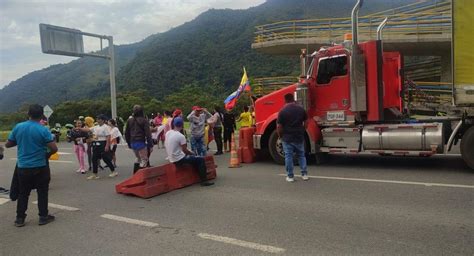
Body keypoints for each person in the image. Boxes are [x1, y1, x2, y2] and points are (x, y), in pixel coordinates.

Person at [5, 104, 58, 227]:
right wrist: (46, 155)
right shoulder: (43, 129)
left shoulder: (18, 127)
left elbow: (8, 144)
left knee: (23, 193)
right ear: (41, 116)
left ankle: (19, 219)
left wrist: (21, 140)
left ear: (28, 114)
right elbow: (54, 148)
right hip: (40, 165)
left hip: (23, 166)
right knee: (42, 191)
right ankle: (43, 217)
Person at [165, 117, 214, 186]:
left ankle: (199, 174)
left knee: (194, 159)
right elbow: (185, 150)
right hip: (179, 158)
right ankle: (204, 180)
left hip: (171, 157)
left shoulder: (168, 133)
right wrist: (192, 153)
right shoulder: (181, 136)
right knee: (200, 159)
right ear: (182, 125)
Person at [277, 93, 308, 182]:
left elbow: (279, 126)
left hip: (287, 137)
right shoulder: (301, 109)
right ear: (293, 99)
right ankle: (304, 174)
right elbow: (306, 122)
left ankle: (290, 176)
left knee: (288, 156)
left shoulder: (282, 111)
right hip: (299, 136)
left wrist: (280, 136)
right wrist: (303, 130)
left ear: (285, 100)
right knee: (301, 155)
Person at [125, 105, 154, 174]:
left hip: (132, 142)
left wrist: (128, 143)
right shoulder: (144, 120)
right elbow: (148, 134)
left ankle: (135, 174)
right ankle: (141, 175)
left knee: (138, 158)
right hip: (140, 142)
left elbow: (126, 133)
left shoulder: (129, 120)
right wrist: (150, 145)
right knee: (144, 159)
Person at [87, 114, 117, 180]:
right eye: (97, 119)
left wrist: (107, 145)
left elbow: (108, 136)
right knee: (94, 158)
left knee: (105, 158)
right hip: (96, 143)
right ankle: (95, 174)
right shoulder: (96, 127)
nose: (98, 120)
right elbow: (88, 130)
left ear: (103, 120)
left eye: (99, 119)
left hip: (103, 143)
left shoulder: (105, 127)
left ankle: (113, 171)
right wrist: (78, 128)